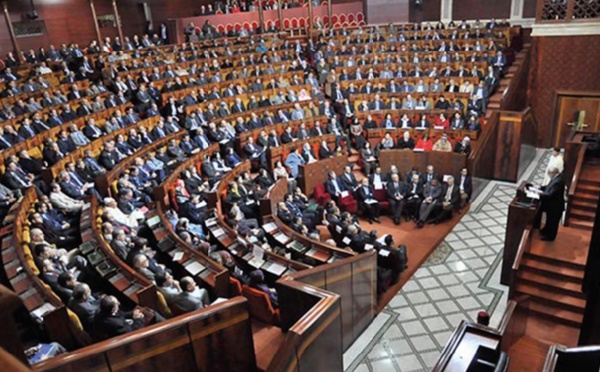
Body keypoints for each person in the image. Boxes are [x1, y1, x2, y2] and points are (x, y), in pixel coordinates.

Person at [531, 167, 565, 241]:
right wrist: (540, 188)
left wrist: (539, 194)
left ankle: (550, 237)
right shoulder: (556, 178)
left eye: (549, 174)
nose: (549, 176)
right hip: (552, 206)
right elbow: (549, 187)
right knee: (549, 221)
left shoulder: (558, 182)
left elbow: (551, 194)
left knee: (553, 222)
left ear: (553, 173)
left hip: (556, 207)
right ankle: (545, 231)